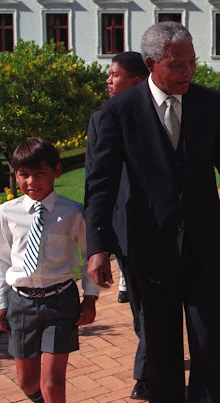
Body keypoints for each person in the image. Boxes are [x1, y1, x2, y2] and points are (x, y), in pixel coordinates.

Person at [85, 22, 220, 402]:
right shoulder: (116, 114)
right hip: (148, 252)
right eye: (177, 65)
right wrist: (97, 245)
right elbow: (100, 186)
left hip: (205, 248)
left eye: (192, 63)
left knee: (208, 346)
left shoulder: (209, 104)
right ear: (151, 64)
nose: (187, 72)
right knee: (161, 353)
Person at [0, 138, 100, 403]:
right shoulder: (7, 213)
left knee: (52, 382)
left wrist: (91, 297)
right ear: (15, 175)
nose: (31, 182)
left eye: (39, 174)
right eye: (24, 174)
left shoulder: (72, 213)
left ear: (56, 171)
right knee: (27, 382)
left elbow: (89, 257)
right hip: (22, 304)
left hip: (60, 302)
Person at [84, 51, 151, 400]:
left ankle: (148, 370)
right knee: (141, 307)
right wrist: (97, 244)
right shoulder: (101, 119)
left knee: (156, 308)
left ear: (137, 80)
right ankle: (151, 364)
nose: (108, 80)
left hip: (168, 228)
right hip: (126, 229)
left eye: (114, 74)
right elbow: (95, 183)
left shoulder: (163, 113)